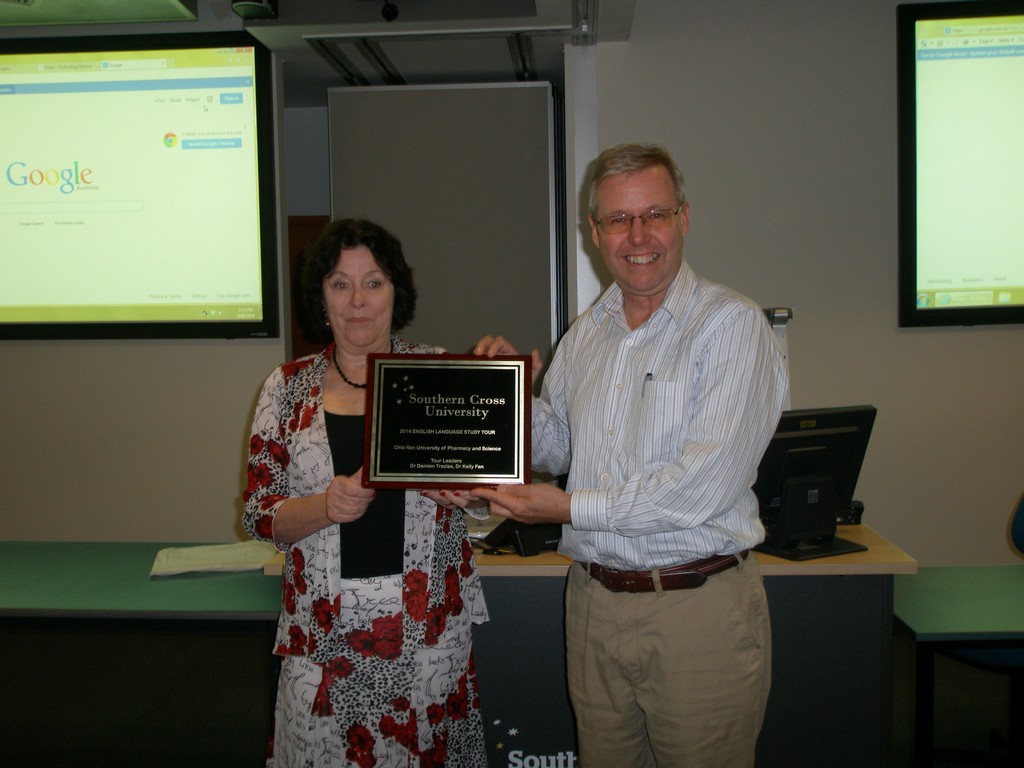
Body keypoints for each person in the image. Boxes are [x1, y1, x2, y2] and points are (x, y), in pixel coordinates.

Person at [471, 143, 789, 768]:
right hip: (594, 604)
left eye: (655, 215)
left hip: (696, 608)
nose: (637, 235)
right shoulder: (586, 334)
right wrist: (505, 399)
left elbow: (705, 484)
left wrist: (567, 508)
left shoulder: (730, 325)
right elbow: (560, 446)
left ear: (684, 218)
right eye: (618, 219)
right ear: (595, 233)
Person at [243, 218, 489, 768]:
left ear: (396, 292)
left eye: (373, 282)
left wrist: (495, 390)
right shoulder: (285, 389)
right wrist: (323, 507)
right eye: (340, 283)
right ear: (321, 297)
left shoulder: (436, 373)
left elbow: (484, 490)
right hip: (324, 638)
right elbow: (261, 515)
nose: (358, 300)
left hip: (426, 637)